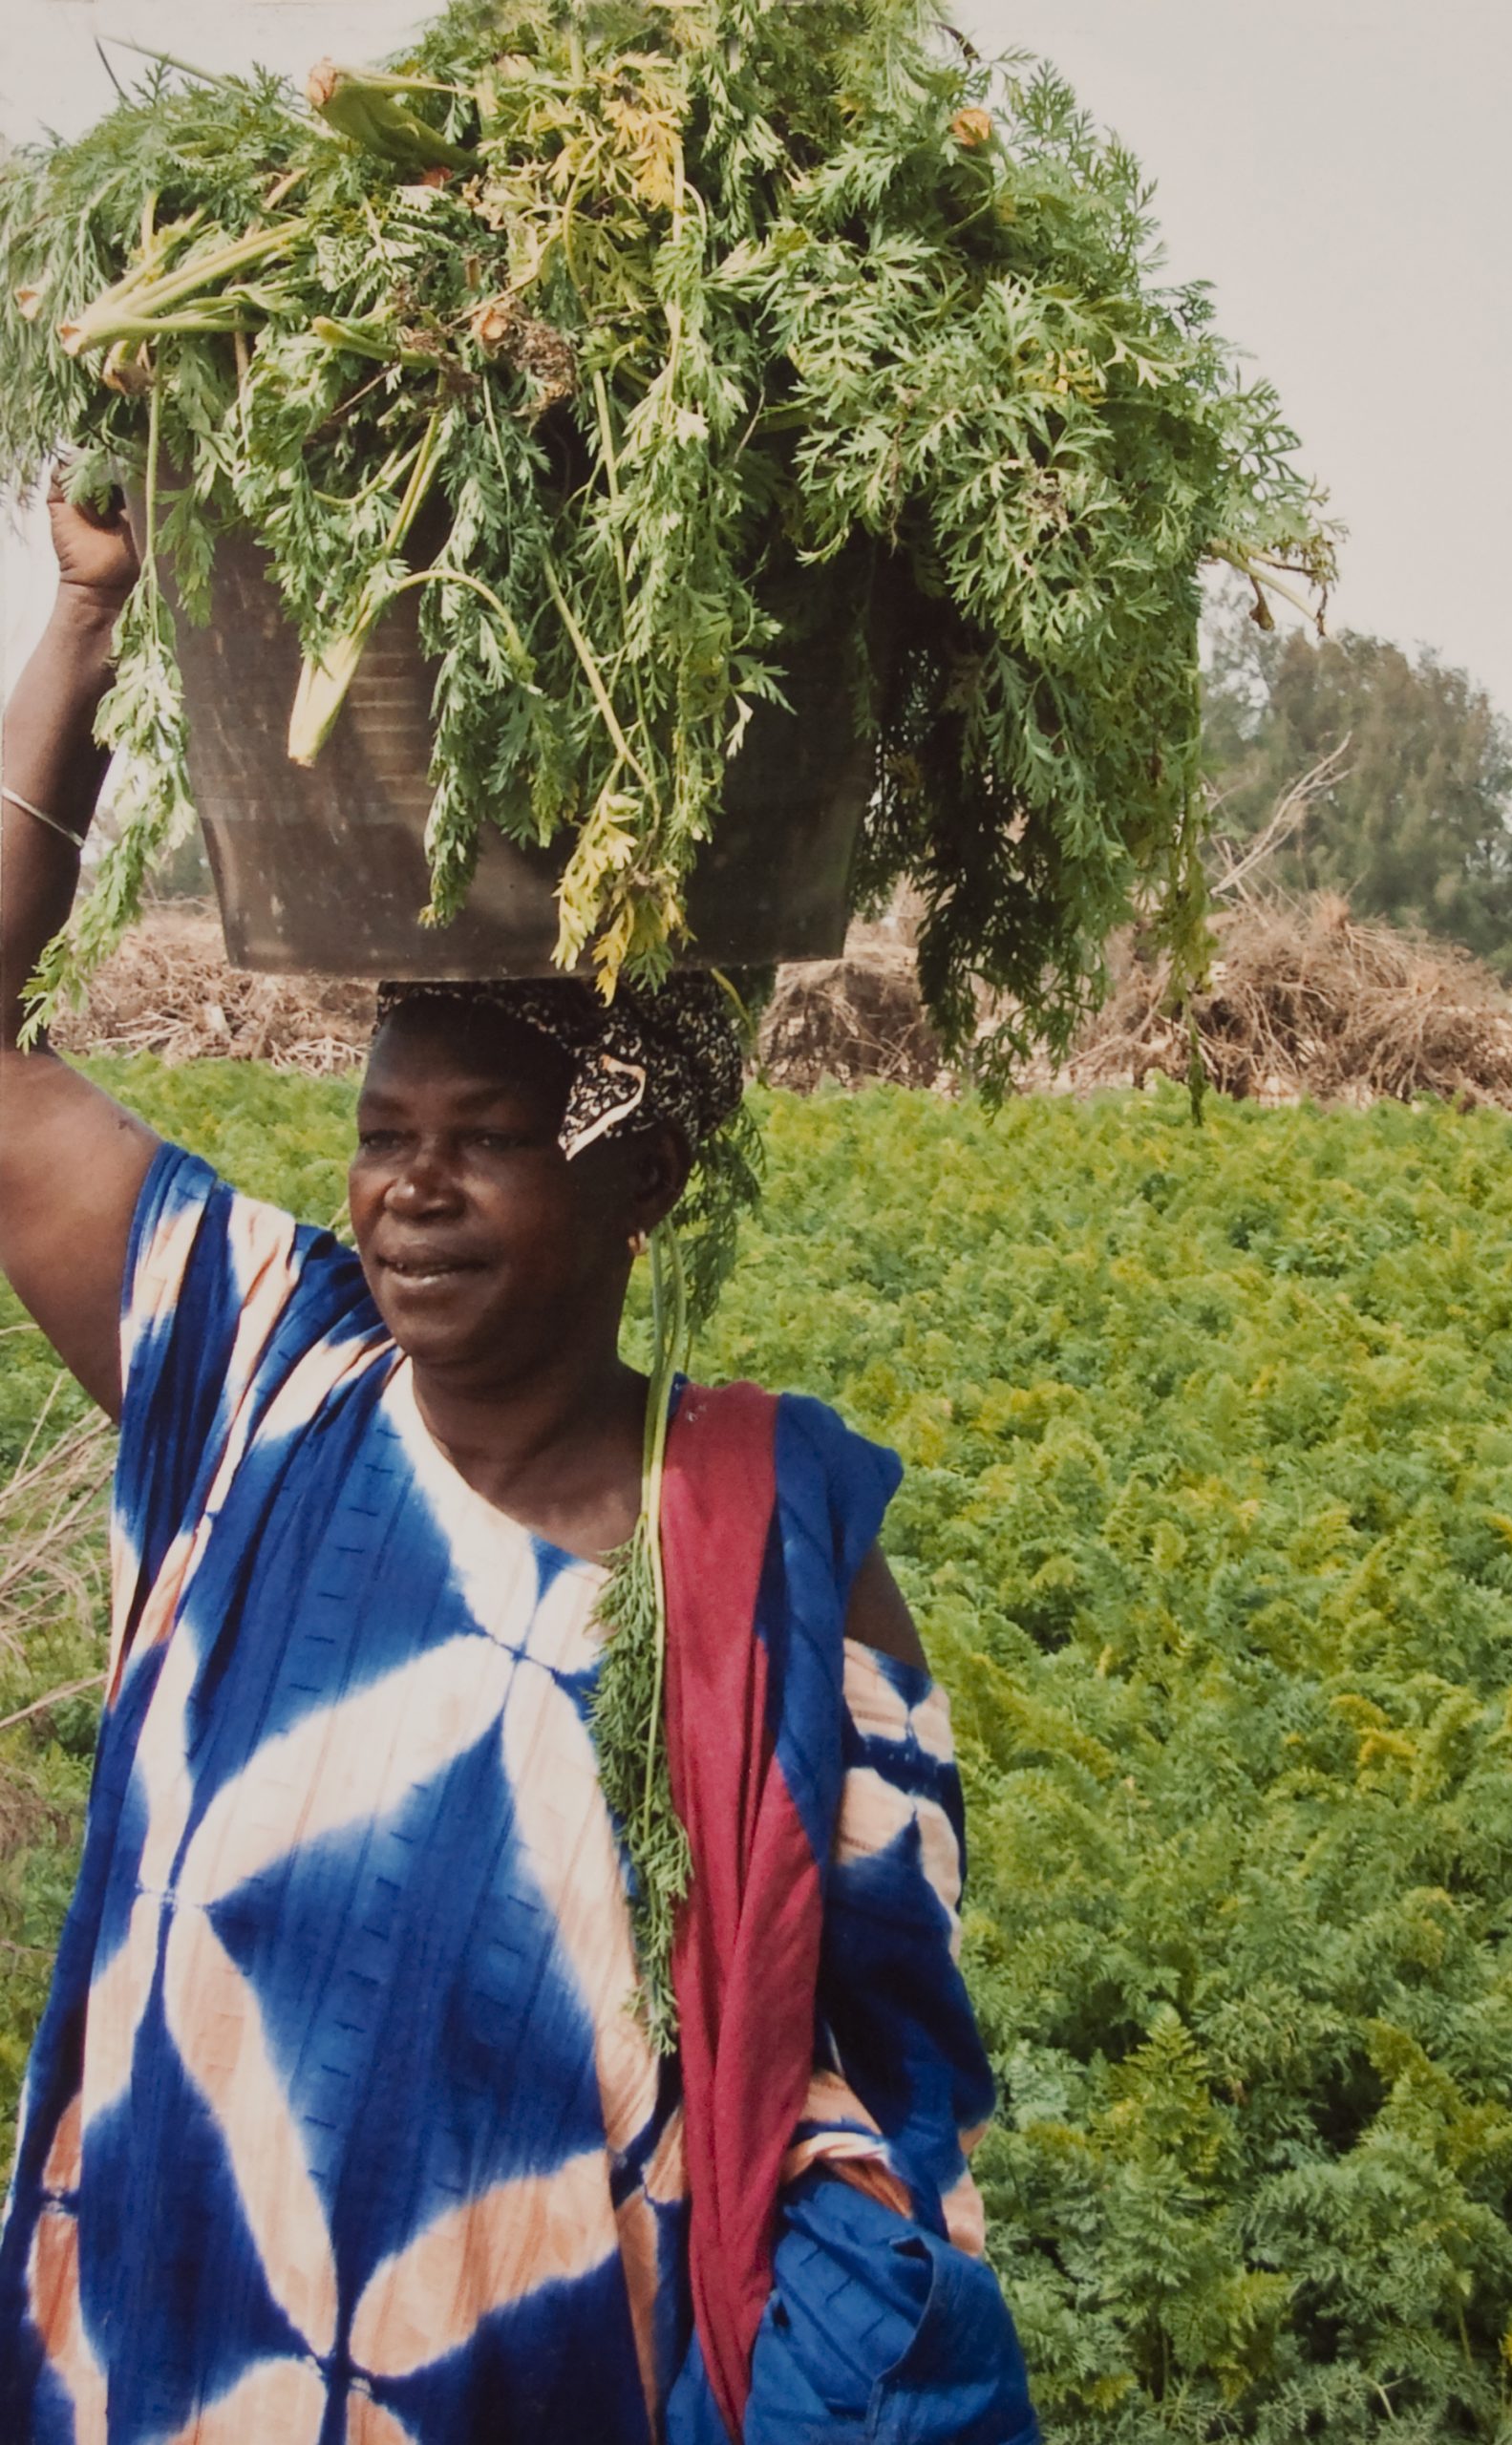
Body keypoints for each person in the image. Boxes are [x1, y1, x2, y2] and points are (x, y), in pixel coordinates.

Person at [0, 487, 1039, 2445]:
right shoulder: (257, 1366)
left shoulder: (758, 1548)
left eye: (483, 1136)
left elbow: (880, 2090)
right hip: (146, 2360)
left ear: (637, 1174)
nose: (406, 1187)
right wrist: (87, 609)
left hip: (525, 2378)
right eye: (383, 1129)